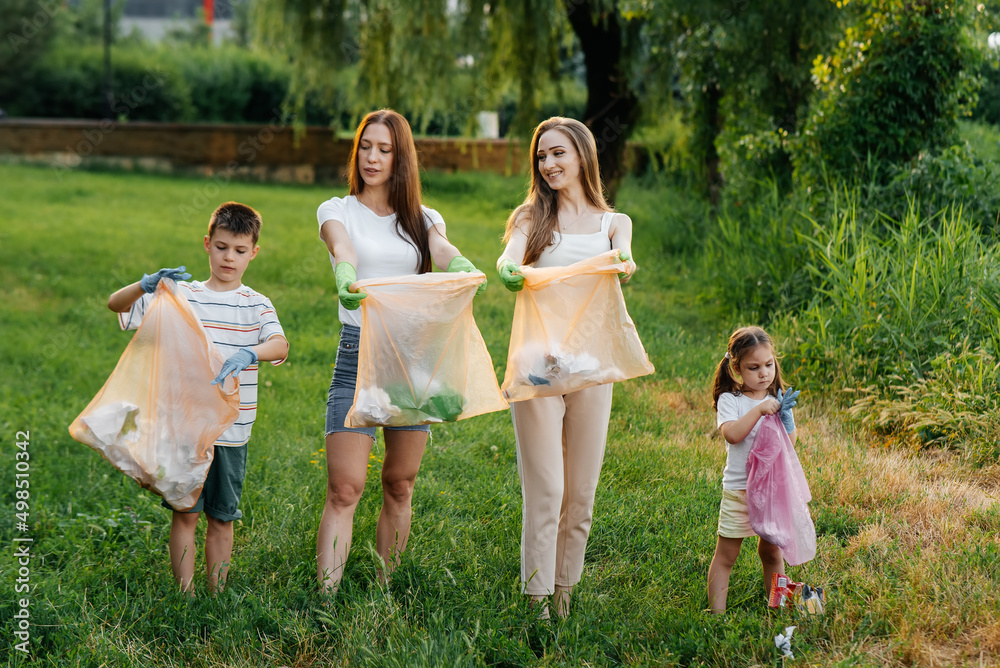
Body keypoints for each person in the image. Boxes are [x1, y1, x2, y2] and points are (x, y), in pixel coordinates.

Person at [315, 108, 486, 594]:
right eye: (365, 147)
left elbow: (441, 248)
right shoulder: (337, 209)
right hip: (359, 351)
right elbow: (342, 247)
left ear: (400, 157)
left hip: (412, 360)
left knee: (400, 483)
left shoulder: (424, 218)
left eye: (384, 149)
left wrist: (461, 264)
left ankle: (384, 589)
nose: (372, 157)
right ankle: (325, 599)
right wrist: (346, 273)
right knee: (345, 487)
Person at [108, 201, 289, 594]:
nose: (229, 257)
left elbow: (280, 345)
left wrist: (250, 353)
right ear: (207, 244)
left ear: (254, 253)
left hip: (231, 433)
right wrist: (144, 285)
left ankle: (216, 594)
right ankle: (185, 597)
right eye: (221, 247)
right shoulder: (181, 296)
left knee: (222, 518)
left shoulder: (256, 304)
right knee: (185, 514)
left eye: (240, 250)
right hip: (185, 430)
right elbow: (116, 305)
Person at [495, 116, 637, 618]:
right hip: (538, 368)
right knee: (546, 491)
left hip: (591, 371)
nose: (549, 164)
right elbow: (509, 257)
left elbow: (623, 254)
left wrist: (623, 261)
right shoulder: (530, 218)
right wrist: (509, 270)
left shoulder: (612, 223)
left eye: (558, 153)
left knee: (580, 496)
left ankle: (563, 597)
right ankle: (535, 604)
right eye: (541, 156)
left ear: (582, 156)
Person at [707, 325, 799, 614]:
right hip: (739, 491)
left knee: (771, 550)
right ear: (736, 369)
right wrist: (759, 410)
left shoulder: (778, 399)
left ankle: (777, 606)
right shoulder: (731, 400)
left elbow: (789, 444)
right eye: (754, 367)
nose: (764, 373)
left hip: (770, 491)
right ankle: (716, 615)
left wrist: (786, 418)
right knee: (727, 555)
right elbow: (732, 434)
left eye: (769, 365)